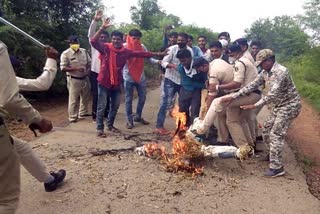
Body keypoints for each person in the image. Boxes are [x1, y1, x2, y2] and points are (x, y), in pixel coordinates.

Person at [0, 41, 65, 214]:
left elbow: (40, 84)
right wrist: (37, 119)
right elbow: (12, 98)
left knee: (21, 147)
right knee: (6, 201)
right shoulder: (6, 73)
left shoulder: (9, 78)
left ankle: (49, 179)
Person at [221, 49, 301, 177]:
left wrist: (255, 105)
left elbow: (272, 94)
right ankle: (272, 155)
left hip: (289, 106)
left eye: (262, 63)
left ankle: (277, 167)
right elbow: (252, 85)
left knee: (276, 134)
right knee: (266, 130)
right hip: (279, 106)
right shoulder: (265, 72)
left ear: (269, 61)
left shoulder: (281, 72)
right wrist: (234, 96)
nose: (260, 66)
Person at [90, 18, 167, 137]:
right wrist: (102, 28)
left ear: (122, 40)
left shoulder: (125, 51)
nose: (116, 41)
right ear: (112, 39)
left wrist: (158, 54)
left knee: (115, 106)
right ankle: (100, 128)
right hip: (104, 82)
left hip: (116, 83)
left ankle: (110, 126)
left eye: (118, 39)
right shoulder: (105, 48)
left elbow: (142, 54)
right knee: (102, 105)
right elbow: (93, 41)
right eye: (114, 39)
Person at [154, 32, 193, 135]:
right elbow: (163, 62)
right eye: (179, 40)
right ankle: (159, 126)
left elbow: (191, 65)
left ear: (186, 41)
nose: (180, 42)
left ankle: (182, 127)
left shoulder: (190, 51)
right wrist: (172, 66)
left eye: (182, 40)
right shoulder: (172, 49)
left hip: (183, 81)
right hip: (170, 79)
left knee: (183, 104)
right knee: (165, 102)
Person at [123, 29, 160, 129]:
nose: (136, 40)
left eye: (138, 39)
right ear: (129, 37)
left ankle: (138, 116)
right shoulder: (124, 46)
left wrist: (159, 62)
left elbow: (149, 57)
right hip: (128, 76)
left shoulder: (142, 47)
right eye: (134, 38)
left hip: (140, 77)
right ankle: (129, 121)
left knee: (142, 97)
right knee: (128, 99)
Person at [60, 35, 92, 123]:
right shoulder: (65, 54)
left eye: (77, 42)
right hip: (74, 79)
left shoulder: (84, 51)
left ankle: (82, 113)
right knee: (73, 99)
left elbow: (89, 63)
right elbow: (63, 68)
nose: (75, 44)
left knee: (85, 96)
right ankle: (73, 117)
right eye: (73, 43)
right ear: (70, 44)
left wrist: (88, 71)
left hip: (85, 78)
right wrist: (76, 69)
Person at [88, 10, 110, 122]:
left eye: (104, 37)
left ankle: (105, 114)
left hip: (106, 74)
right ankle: (95, 116)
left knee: (106, 95)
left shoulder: (109, 47)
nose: (102, 38)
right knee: (96, 95)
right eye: (100, 37)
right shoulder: (94, 45)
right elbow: (91, 34)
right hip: (95, 72)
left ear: (107, 39)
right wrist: (95, 20)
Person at [176, 50, 207, 126]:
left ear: (190, 58)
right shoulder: (181, 68)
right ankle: (184, 127)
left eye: (185, 60)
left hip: (197, 91)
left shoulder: (199, 62)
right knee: (182, 110)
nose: (183, 63)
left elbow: (205, 77)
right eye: (181, 61)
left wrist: (205, 85)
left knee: (195, 111)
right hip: (185, 89)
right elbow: (188, 83)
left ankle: (195, 129)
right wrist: (204, 85)